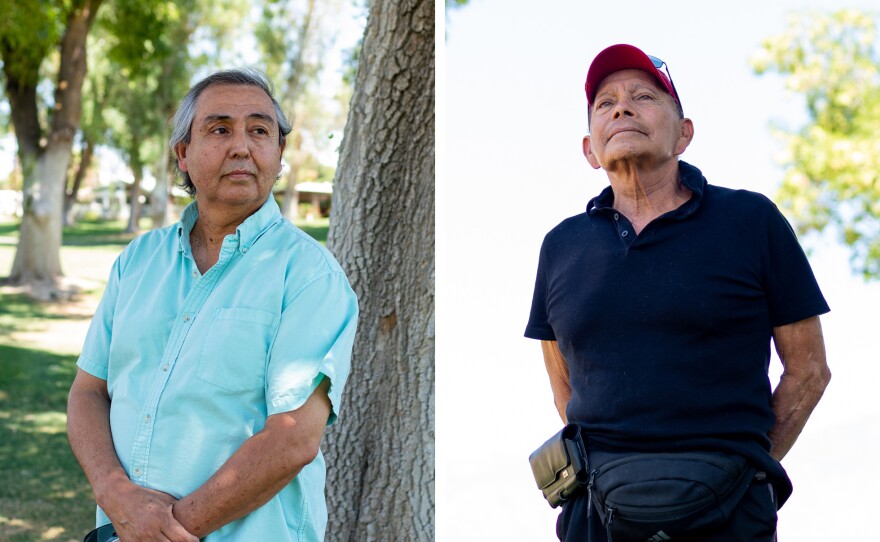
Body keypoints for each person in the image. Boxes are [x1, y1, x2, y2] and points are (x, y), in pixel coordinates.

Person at [525, 44, 831, 541]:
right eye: (606, 103)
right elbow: (564, 385)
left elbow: (809, 370)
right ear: (589, 149)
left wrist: (746, 468)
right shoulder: (561, 246)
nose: (622, 107)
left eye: (643, 96)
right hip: (596, 516)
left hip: (730, 512)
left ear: (684, 134)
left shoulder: (751, 221)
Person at [67, 68, 358, 541]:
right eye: (220, 129)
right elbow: (88, 392)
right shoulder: (136, 262)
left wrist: (162, 530)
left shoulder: (308, 275)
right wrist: (115, 494)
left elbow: (293, 438)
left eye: (260, 131)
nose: (241, 146)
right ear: (183, 153)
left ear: (279, 154)